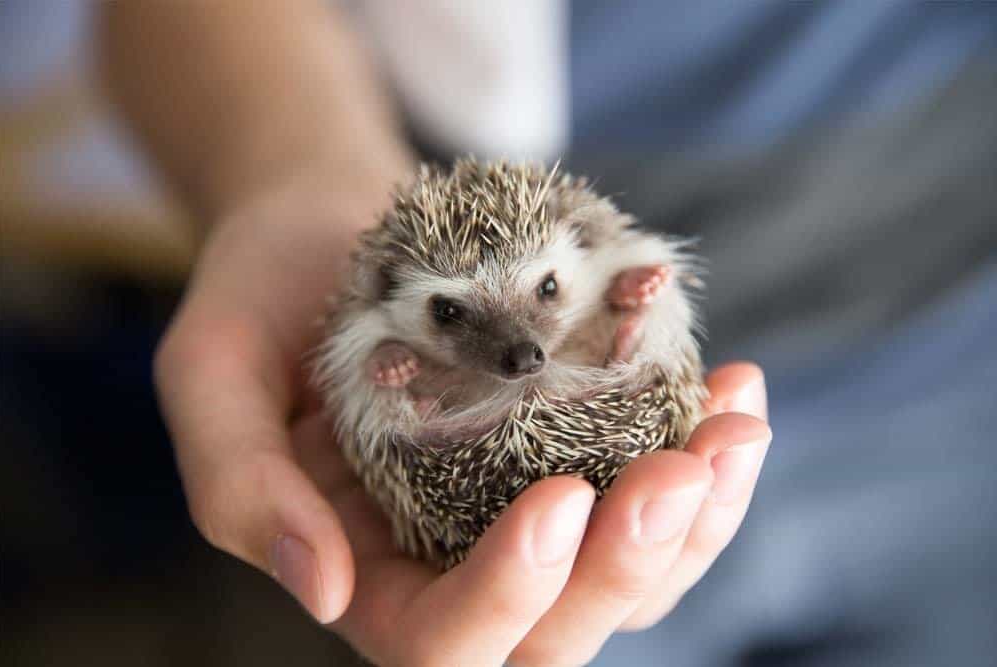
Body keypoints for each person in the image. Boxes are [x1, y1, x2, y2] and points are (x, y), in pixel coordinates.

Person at [99, 2, 996, 666]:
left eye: (545, 294)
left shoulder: (599, 258)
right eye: (451, 311)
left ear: (586, 256)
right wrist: (296, 171)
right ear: (387, 298)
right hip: (562, 568)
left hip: (965, 379)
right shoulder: (398, 314)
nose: (519, 347)